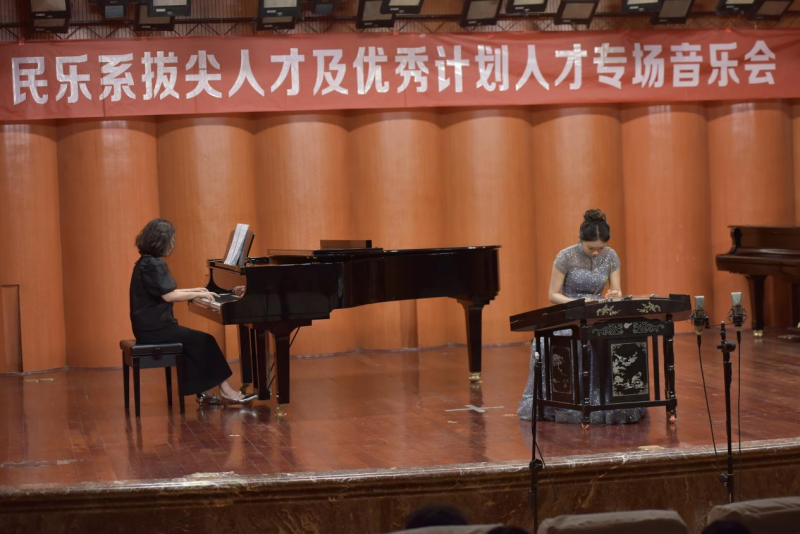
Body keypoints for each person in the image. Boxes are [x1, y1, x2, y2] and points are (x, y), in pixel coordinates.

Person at [517, 209, 646, 424]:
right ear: (580, 239)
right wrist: (577, 303)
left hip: (597, 312)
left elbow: (617, 291)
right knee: (568, 341)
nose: (596, 253)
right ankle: (567, 403)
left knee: (615, 339)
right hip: (569, 313)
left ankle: (609, 403)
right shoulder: (565, 256)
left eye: (600, 248)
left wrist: (614, 295)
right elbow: (553, 295)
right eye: (590, 248)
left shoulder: (611, 256)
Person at [129, 218, 256, 405]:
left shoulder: (145, 262)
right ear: (162, 240)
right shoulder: (155, 264)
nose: (173, 243)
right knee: (205, 341)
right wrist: (196, 293)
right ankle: (227, 391)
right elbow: (169, 296)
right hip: (156, 329)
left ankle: (203, 392)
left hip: (147, 328)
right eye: (172, 239)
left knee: (192, 343)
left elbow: (166, 291)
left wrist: (196, 290)